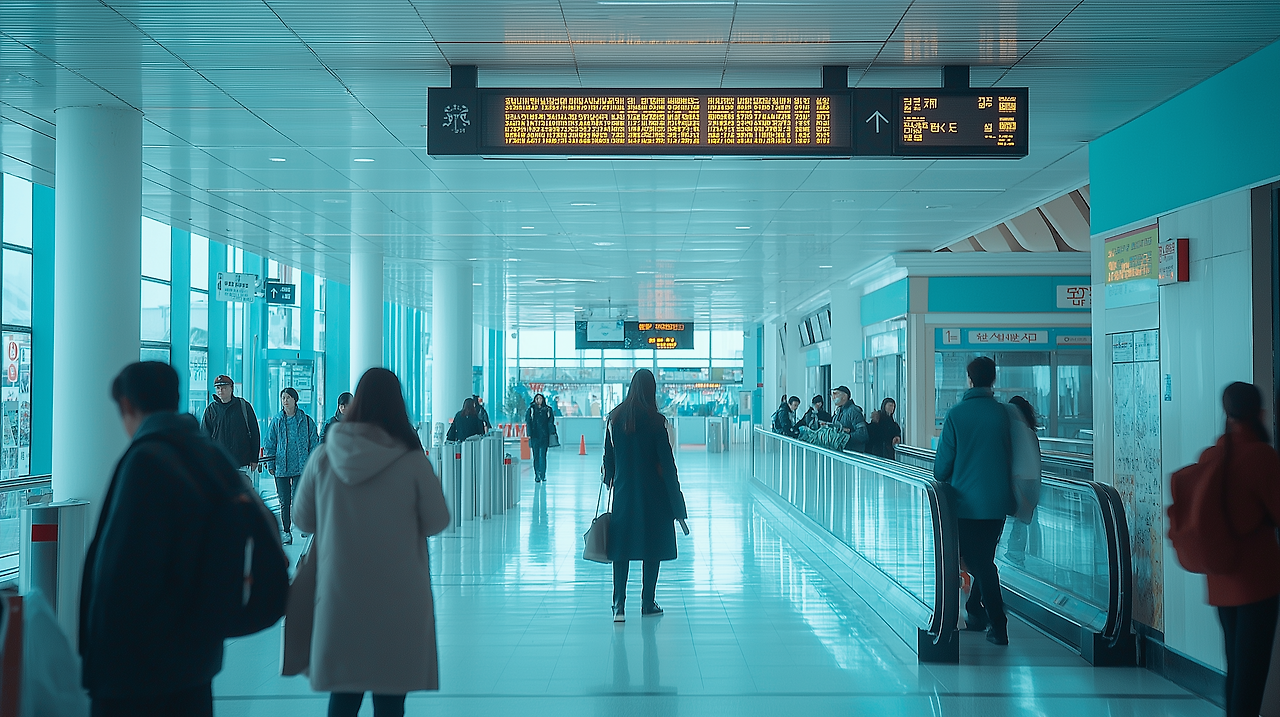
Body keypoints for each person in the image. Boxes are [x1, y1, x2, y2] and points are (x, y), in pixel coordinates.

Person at [81, 362, 252, 716]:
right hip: (196, 654)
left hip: (141, 664)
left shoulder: (145, 461)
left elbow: (121, 570)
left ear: (127, 405)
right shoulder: (208, 456)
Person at [293, 368, 451, 717]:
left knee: (343, 697)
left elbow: (302, 520)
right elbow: (438, 520)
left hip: (339, 594)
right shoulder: (411, 460)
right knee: (391, 700)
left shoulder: (324, 457)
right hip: (399, 596)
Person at [1183, 382, 1280, 717]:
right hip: (1259, 582)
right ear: (1260, 413)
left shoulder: (1211, 456)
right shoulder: (1262, 457)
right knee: (1252, 672)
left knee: (1236, 666)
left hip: (1221, 581)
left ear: (1226, 413)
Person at [934, 356, 1014, 646]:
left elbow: (942, 467)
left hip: (966, 504)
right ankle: (976, 613)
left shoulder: (957, 414)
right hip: (998, 503)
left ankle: (998, 622)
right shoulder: (1003, 414)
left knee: (978, 563)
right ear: (993, 379)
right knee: (984, 560)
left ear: (969, 380)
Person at [604, 369, 689, 622]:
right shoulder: (656, 421)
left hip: (624, 495)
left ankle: (618, 605)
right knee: (652, 547)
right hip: (654, 496)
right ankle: (647, 602)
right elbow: (668, 466)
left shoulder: (615, 418)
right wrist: (677, 504)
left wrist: (612, 480)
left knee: (621, 549)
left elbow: (609, 463)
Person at [265, 387, 319, 545]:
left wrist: (311, 464)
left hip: (301, 467)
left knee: (299, 498)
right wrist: (270, 463)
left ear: (295, 400)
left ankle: (301, 525)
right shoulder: (277, 420)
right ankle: (286, 531)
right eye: (283, 398)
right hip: (281, 467)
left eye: (288, 397)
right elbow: (270, 443)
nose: (285, 400)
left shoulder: (306, 421)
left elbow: (314, 443)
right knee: (284, 501)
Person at [1004, 396, 1042, 566]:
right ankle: (1022, 553)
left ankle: (1014, 554)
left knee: (1017, 519)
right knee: (1025, 519)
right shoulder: (1030, 433)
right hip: (1032, 483)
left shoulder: (1012, 433)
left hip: (1018, 480)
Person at [200, 374, 260, 476]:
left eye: (224, 388)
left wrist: (254, 458)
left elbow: (254, 433)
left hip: (241, 462)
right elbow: (205, 436)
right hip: (218, 463)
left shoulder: (243, 406)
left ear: (231, 388)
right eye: (218, 388)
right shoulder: (211, 410)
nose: (220, 391)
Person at [526, 393, 556, 483]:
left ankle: (542, 474)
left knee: (543, 456)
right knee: (536, 456)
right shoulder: (531, 410)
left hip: (544, 436)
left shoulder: (547, 410)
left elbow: (551, 421)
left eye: (540, 398)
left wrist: (551, 432)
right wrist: (529, 434)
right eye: (537, 398)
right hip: (534, 436)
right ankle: (537, 475)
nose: (538, 400)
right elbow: (528, 422)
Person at [830, 386, 869, 452]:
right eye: (832, 394)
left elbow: (863, 434)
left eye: (835, 394)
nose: (833, 397)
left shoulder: (853, 411)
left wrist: (844, 437)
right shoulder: (838, 412)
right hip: (842, 453)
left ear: (844, 396)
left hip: (852, 453)